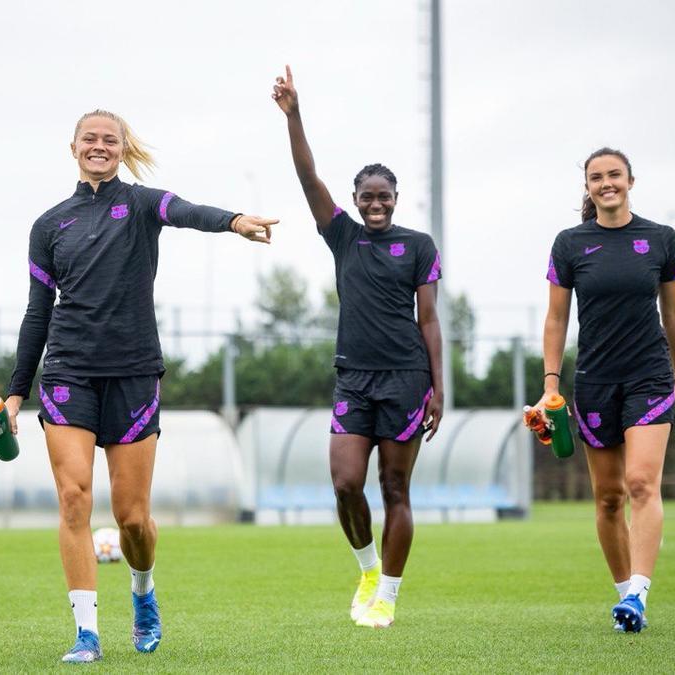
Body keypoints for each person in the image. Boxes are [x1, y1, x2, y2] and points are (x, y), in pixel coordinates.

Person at [0, 109, 278, 663]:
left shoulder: (144, 205)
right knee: (74, 499)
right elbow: (37, 315)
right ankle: (86, 634)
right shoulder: (49, 225)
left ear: (124, 149)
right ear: (72, 147)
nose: (99, 146)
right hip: (67, 373)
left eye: (110, 139)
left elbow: (190, 211)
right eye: (89, 138)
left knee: (132, 518)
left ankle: (143, 593)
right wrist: (14, 392)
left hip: (133, 373)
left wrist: (236, 220)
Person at [272, 66, 444, 629]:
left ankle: (388, 596)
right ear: (354, 200)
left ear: (396, 199)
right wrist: (295, 115)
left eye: (385, 197)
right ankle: (367, 569)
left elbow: (430, 318)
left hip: (406, 379)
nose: (377, 204)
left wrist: (438, 388)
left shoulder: (418, 246)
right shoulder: (343, 235)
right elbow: (307, 177)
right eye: (367, 196)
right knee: (346, 483)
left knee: (396, 488)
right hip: (354, 378)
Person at [537, 147, 675, 633]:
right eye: (596, 177)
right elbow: (557, 318)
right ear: (587, 187)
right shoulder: (569, 243)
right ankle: (625, 597)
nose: (606, 183)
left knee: (641, 484)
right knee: (607, 499)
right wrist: (550, 386)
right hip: (595, 382)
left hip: (648, 376)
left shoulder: (660, 238)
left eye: (614, 175)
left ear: (630, 181)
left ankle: (640, 594)